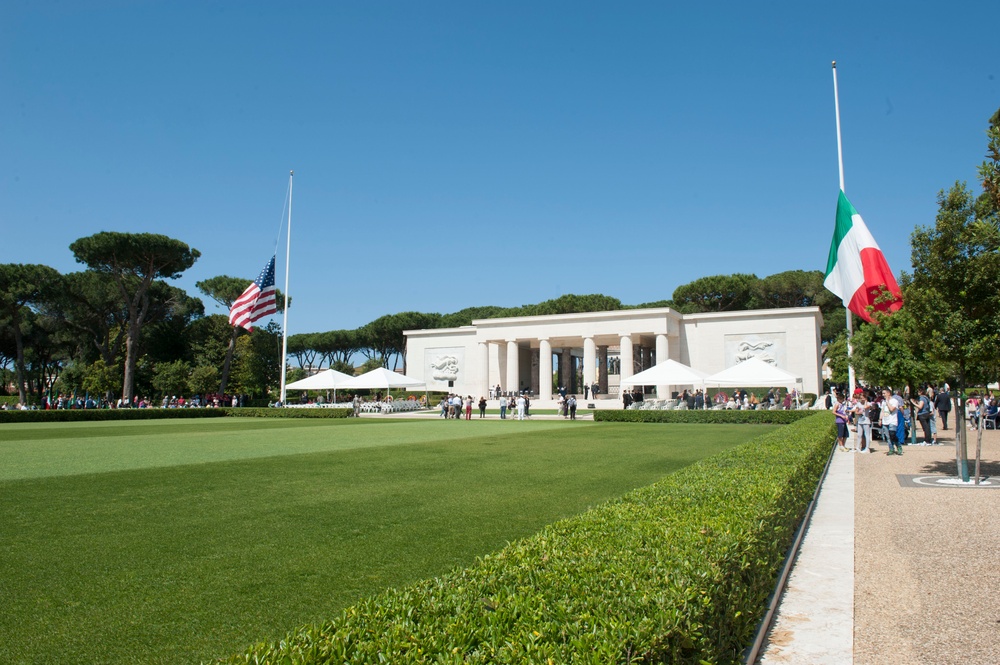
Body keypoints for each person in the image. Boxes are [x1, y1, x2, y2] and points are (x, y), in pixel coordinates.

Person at [880, 389, 903, 455]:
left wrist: (887, 402)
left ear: (888, 393)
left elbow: (892, 409)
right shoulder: (883, 402)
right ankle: (891, 449)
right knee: (888, 436)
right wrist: (880, 419)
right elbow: (882, 410)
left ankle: (898, 446)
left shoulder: (894, 401)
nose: (883, 395)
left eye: (884, 393)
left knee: (892, 434)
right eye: (882, 393)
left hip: (892, 420)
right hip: (885, 420)